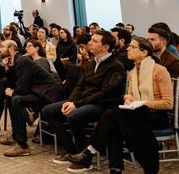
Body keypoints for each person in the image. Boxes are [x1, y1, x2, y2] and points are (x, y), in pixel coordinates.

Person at [65, 37, 173, 173]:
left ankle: (90, 153)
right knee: (114, 121)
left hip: (156, 117)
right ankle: (114, 168)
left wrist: (141, 102)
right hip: (136, 114)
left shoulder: (159, 70)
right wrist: (128, 98)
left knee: (112, 115)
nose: (128, 49)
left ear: (144, 52)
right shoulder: (133, 71)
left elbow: (168, 104)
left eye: (132, 47)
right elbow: (130, 97)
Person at [40, 30, 126, 164]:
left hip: (103, 105)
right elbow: (80, 86)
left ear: (105, 47)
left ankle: (84, 158)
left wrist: (76, 105)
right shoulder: (92, 62)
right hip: (85, 101)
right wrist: (69, 102)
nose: (89, 43)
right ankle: (71, 149)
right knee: (47, 111)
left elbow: (104, 93)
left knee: (74, 115)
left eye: (95, 41)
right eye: (91, 40)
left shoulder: (115, 66)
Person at [0, 40, 61, 157]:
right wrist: (7, 68)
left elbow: (21, 88)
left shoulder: (21, 60)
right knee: (12, 96)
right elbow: (14, 83)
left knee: (16, 98)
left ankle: (22, 145)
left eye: (2, 47)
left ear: (11, 49)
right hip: (37, 92)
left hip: (47, 94)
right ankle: (16, 135)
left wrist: (13, 92)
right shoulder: (15, 60)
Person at [147, 26, 179, 120]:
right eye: (147, 39)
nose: (148, 42)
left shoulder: (173, 62)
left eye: (152, 39)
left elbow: (175, 90)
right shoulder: (152, 59)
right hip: (160, 99)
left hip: (175, 103)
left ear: (163, 43)